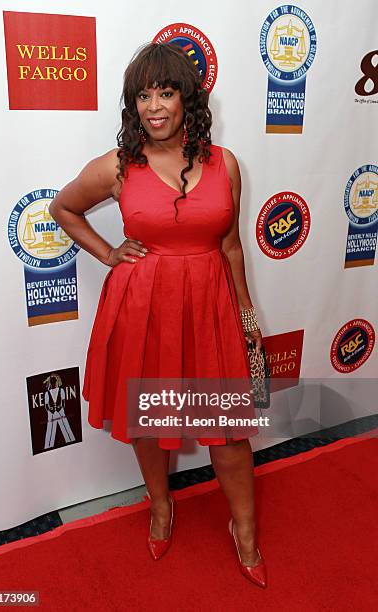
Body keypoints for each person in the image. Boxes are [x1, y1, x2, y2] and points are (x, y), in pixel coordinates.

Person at [49, 41, 267, 588]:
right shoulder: (119, 167)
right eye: (143, 95)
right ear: (133, 105)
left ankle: (245, 532)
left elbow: (233, 247)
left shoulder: (226, 164)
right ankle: (161, 507)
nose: (154, 106)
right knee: (150, 419)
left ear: (186, 97)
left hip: (211, 306)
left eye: (165, 92)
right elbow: (63, 208)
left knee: (228, 431)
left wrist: (246, 315)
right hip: (144, 307)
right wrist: (106, 252)